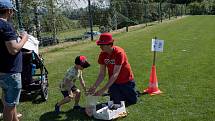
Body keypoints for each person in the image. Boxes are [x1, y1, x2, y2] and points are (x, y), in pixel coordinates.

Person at [88, 33, 138, 106]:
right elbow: (102, 74)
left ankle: (132, 92)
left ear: (110, 44)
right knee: (116, 102)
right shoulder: (102, 55)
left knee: (132, 101)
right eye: (100, 45)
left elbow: (115, 74)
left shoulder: (119, 53)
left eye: (103, 45)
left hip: (126, 81)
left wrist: (103, 89)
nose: (100, 47)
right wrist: (94, 86)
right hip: (114, 83)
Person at [0, 0, 28, 121]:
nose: (12, 14)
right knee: (9, 104)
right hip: (10, 71)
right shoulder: (6, 26)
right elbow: (13, 49)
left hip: (2, 70)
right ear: (9, 11)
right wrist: (24, 39)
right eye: (12, 12)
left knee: (8, 100)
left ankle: (15, 119)